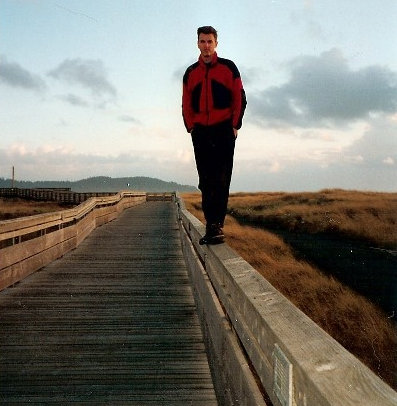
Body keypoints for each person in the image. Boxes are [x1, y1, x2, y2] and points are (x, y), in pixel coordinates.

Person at [182, 26, 247, 245]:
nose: (206, 45)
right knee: (205, 180)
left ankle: (216, 225)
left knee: (221, 179)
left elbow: (239, 97)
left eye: (210, 41)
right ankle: (212, 225)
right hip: (201, 131)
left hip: (223, 130)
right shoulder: (191, 73)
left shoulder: (229, 68)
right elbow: (185, 102)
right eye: (202, 41)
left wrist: (235, 124)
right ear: (197, 43)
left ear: (216, 43)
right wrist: (191, 127)